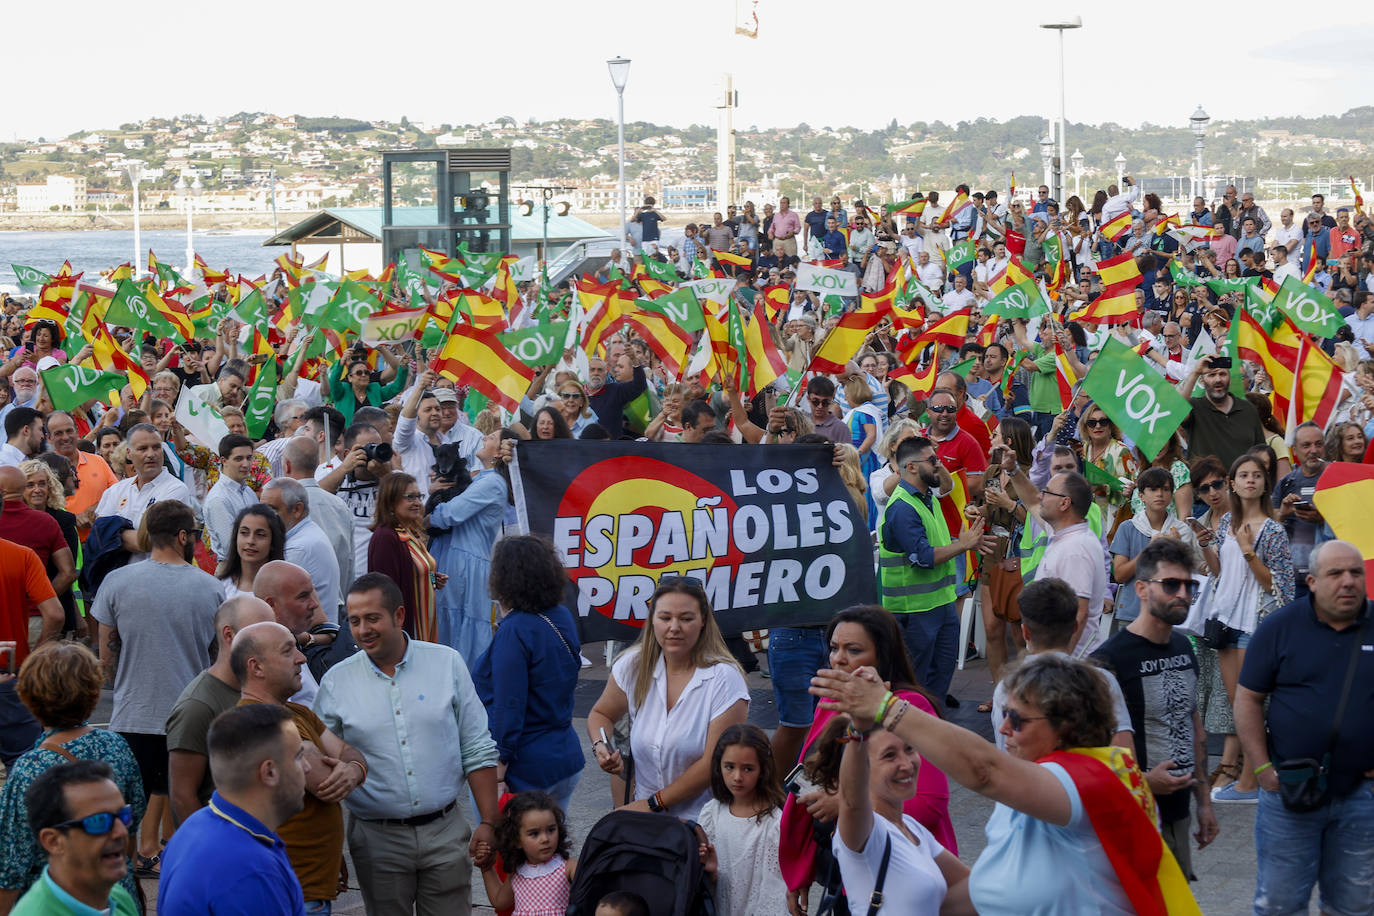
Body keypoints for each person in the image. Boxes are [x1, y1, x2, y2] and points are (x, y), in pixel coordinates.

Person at [811, 653, 1202, 915]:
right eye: (1003, 714)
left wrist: (885, 706)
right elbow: (972, 892)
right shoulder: (1031, 793)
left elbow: (984, 771)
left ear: (1066, 725)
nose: (1003, 728)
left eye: (1017, 718)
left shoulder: (1088, 781)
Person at [314, 573, 500, 916]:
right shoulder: (335, 682)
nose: (362, 629)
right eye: (354, 621)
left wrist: (489, 822)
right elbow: (319, 763)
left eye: (372, 618)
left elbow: (476, 747)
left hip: (445, 832)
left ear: (399, 616)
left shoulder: (447, 663)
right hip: (376, 840)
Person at [779, 606, 958, 914]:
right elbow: (806, 785)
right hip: (849, 876)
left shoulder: (908, 706)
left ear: (881, 656)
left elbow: (929, 803)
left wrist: (846, 805)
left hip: (904, 881)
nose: (839, 659)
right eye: (835, 648)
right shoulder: (829, 702)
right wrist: (800, 872)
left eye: (854, 650)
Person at [1235, 540, 1374, 916]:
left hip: (1363, 797)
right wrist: (1261, 768)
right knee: (1280, 904)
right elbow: (1247, 698)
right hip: (1289, 793)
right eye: (1335, 574)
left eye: (1355, 573)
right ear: (1312, 581)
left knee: (1355, 905)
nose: (1348, 582)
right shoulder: (1279, 627)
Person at [89, 498, 220, 875]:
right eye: (194, 534)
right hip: (190, 717)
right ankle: (184, 879)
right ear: (182, 536)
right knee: (186, 807)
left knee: (126, 811)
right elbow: (214, 657)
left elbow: (107, 655)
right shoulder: (210, 589)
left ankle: (129, 877)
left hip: (132, 713)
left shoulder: (117, 581)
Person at [1093, 539, 1219, 880]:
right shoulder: (1109, 660)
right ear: (1142, 589)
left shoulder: (1183, 645)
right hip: (1130, 815)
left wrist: (1203, 802)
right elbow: (1092, 755)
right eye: (1171, 584)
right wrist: (1146, 782)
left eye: (1189, 585)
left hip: (1178, 813)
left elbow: (1194, 725)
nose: (1183, 594)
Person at [586, 577, 749, 819]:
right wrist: (602, 746)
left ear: (703, 620)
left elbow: (714, 763)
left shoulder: (725, 678)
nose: (674, 627)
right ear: (652, 620)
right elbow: (602, 714)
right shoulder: (633, 666)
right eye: (665, 618)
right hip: (647, 822)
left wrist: (653, 804)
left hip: (705, 822)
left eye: (686, 618)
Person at [233, 620, 366, 914]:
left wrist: (354, 767)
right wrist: (352, 769)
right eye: (288, 651)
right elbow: (326, 783)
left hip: (310, 886)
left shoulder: (297, 712)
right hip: (292, 893)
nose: (302, 658)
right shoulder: (262, 723)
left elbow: (346, 751)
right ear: (256, 667)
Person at [0, 645, 146, 910]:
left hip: (57, 900)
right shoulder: (117, 745)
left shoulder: (29, 768)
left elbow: (10, 867)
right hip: (115, 892)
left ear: (29, 697)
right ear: (92, 691)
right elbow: (131, 827)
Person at [801, 706, 971, 916]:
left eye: (909, 748)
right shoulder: (867, 833)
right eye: (890, 756)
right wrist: (858, 734)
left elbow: (972, 889)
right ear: (861, 771)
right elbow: (852, 803)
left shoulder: (912, 828)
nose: (907, 764)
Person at [1202, 453, 1295, 804]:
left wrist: (1247, 551)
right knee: (1236, 703)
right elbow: (1220, 573)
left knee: (1250, 704)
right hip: (1225, 621)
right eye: (1243, 475)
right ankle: (1248, 779)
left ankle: (1248, 782)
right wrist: (1208, 546)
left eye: (1257, 475)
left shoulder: (1272, 529)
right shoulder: (1226, 521)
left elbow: (1279, 585)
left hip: (1254, 624)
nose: (1250, 480)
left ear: (1264, 483)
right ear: (1233, 482)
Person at [158, 704, 309, 916]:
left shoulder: (193, 826)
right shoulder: (252, 870)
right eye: (298, 757)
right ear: (270, 771)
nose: (307, 768)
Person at [472, 536, 583, 813]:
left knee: (505, 853)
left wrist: (498, 772)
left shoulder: (515, 631)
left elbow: (509, 706)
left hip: (525, 768)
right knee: (551, 852)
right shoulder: (561, 615)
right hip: (564, 756)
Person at [879, 436, 994, 702]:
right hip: (915, 611)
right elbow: (922, 557)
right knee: (914, 684)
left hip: (940, 605)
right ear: (911, 467)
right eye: (932, 461)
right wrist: (963, 545)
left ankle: (933, 725)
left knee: (938, 678)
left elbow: (946, 489)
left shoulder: (925, 497)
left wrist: (966, 543)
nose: (938, 465)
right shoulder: (902, 508)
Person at [166, 595, 277, 826]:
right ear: (229, 635)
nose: (271, 641)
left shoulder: (263, 687)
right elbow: (182, 796)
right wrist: (212, 849)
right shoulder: (197, 706)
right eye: (259, 632)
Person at [989, 577, 1133, 752]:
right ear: (1075, 628)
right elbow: (1124, 755)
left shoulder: (1008, 686)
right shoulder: (1104, 681)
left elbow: (1006, 753)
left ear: (1025, 632)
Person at [1007, 459, 1109, 657]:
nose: (1040, 496)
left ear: (1064, 503)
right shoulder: (1063, 532)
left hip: (1068, 665)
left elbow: (1080, 612)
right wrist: (1013, 469)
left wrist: (1061, 662)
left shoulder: (1076, 549)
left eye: (1046, 492)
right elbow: (1031, 501)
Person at [8, 762, 138, 915]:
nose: (121, 832)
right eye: (99, 821)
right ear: (53, 841)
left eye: (123, 815)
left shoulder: (117, 896)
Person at [428, 436, 508, 662]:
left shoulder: (492, 482)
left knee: (462, 630)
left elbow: (451, 513)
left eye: (492, 437)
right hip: (452, 558)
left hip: (464, 564)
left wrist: (422, 520)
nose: (484, 437)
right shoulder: (482, 479)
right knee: (449, 624)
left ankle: (467, 687)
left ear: (499, 453)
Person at [696, 725, 788, 916]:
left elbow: (774, 896)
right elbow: (705, 888)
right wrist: (710, 873)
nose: (737, 777)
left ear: (763, 770)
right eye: (729, 767)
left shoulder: (774, 824)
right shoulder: (711, 814)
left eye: (748, 769)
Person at [1108, 467, 1203, 627]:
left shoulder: (1181, 531)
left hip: (1169, 615)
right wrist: (1149, 549)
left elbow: (1187, 576)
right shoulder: (1128, 527)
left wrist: (1176, 548)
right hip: (1133, 613)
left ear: (1171, 494)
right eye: (1153, 489)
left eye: (1165, 489)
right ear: (1141, 496)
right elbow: (1120, 575)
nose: (1160, 494)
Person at [92, 424, 194, 555]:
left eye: (156, 447)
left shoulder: (176, 490)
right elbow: (98, 534)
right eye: (142, 449)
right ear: (129, 453)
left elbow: (154, 542)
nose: (151, 454)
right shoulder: (116, 490)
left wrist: (112, 533)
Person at [476, 791, 577, 916]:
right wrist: (486, 868)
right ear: (517, 840)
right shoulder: (517, 872)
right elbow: (499, 901)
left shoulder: (568, 867)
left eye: (551, 830)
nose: (545, 839)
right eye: (534, 834)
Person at [368, 472, 442, 642]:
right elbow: (385, 592)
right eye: (410, 497)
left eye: (419, 496)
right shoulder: (385, 537)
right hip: (405, 632)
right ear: (391, 501)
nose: (417, 502)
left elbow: (412, 573)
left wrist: (431, 578)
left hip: (425, 625)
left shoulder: (410, 533)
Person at [262, 477, 343, 623]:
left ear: (297, 510)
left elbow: (276, 604)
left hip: (311, 638)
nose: (263, 517)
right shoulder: (305, 535)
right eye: (262, 509)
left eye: (272, 509)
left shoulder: (298, 548)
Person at [281, 436, 355, 595]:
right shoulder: (340, 506)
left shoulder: (282, 505)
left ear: (286, 465)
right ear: (316, 465)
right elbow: (350, 563)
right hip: (338, 601)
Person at [1178, 357, 1266, 471]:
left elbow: (1260, 451)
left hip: (1242, 485)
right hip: (1206, 486)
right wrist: (1195, 372)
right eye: (1211, 375)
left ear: (1229, 377)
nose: (1218, 379)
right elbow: (1178, 411)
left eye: (1222, 374)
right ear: (1202, 381)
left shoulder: (1248, 409)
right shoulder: (1194, 407)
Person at [1274, 422, 1329, 602]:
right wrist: (1282, 513)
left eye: (1318, 444)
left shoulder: (1338, 477)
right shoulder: (1286, 482)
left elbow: (1355, 524)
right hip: (1294, 580)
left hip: (1329, 577)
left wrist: (1323, 521)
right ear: (1295, 451)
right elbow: (1271, 524)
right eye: (1306, 445)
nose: (1313, 450)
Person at [44, 411, 117, 539]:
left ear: (77, 431)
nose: (66, 437)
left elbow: (120, 494)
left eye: (69, 431)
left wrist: (98, 507)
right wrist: (73, 519)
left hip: (103, 543)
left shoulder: (98, 461)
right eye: (58, 433)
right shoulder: (44, 469)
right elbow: (40, 509)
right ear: (49, 438)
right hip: (67, 545)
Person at [203, 433, 259, 561]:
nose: (246, 464)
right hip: (233, 570)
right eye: (239, 459)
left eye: (249, 458)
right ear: (224, 461)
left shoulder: (247, 491)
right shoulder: (219, 499)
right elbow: (230, 547)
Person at [217, 503, 286, 600]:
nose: (250, 541)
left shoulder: (285, 589)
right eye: (244, 533)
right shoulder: (220, 587)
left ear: (273, 542)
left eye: (260, 535)